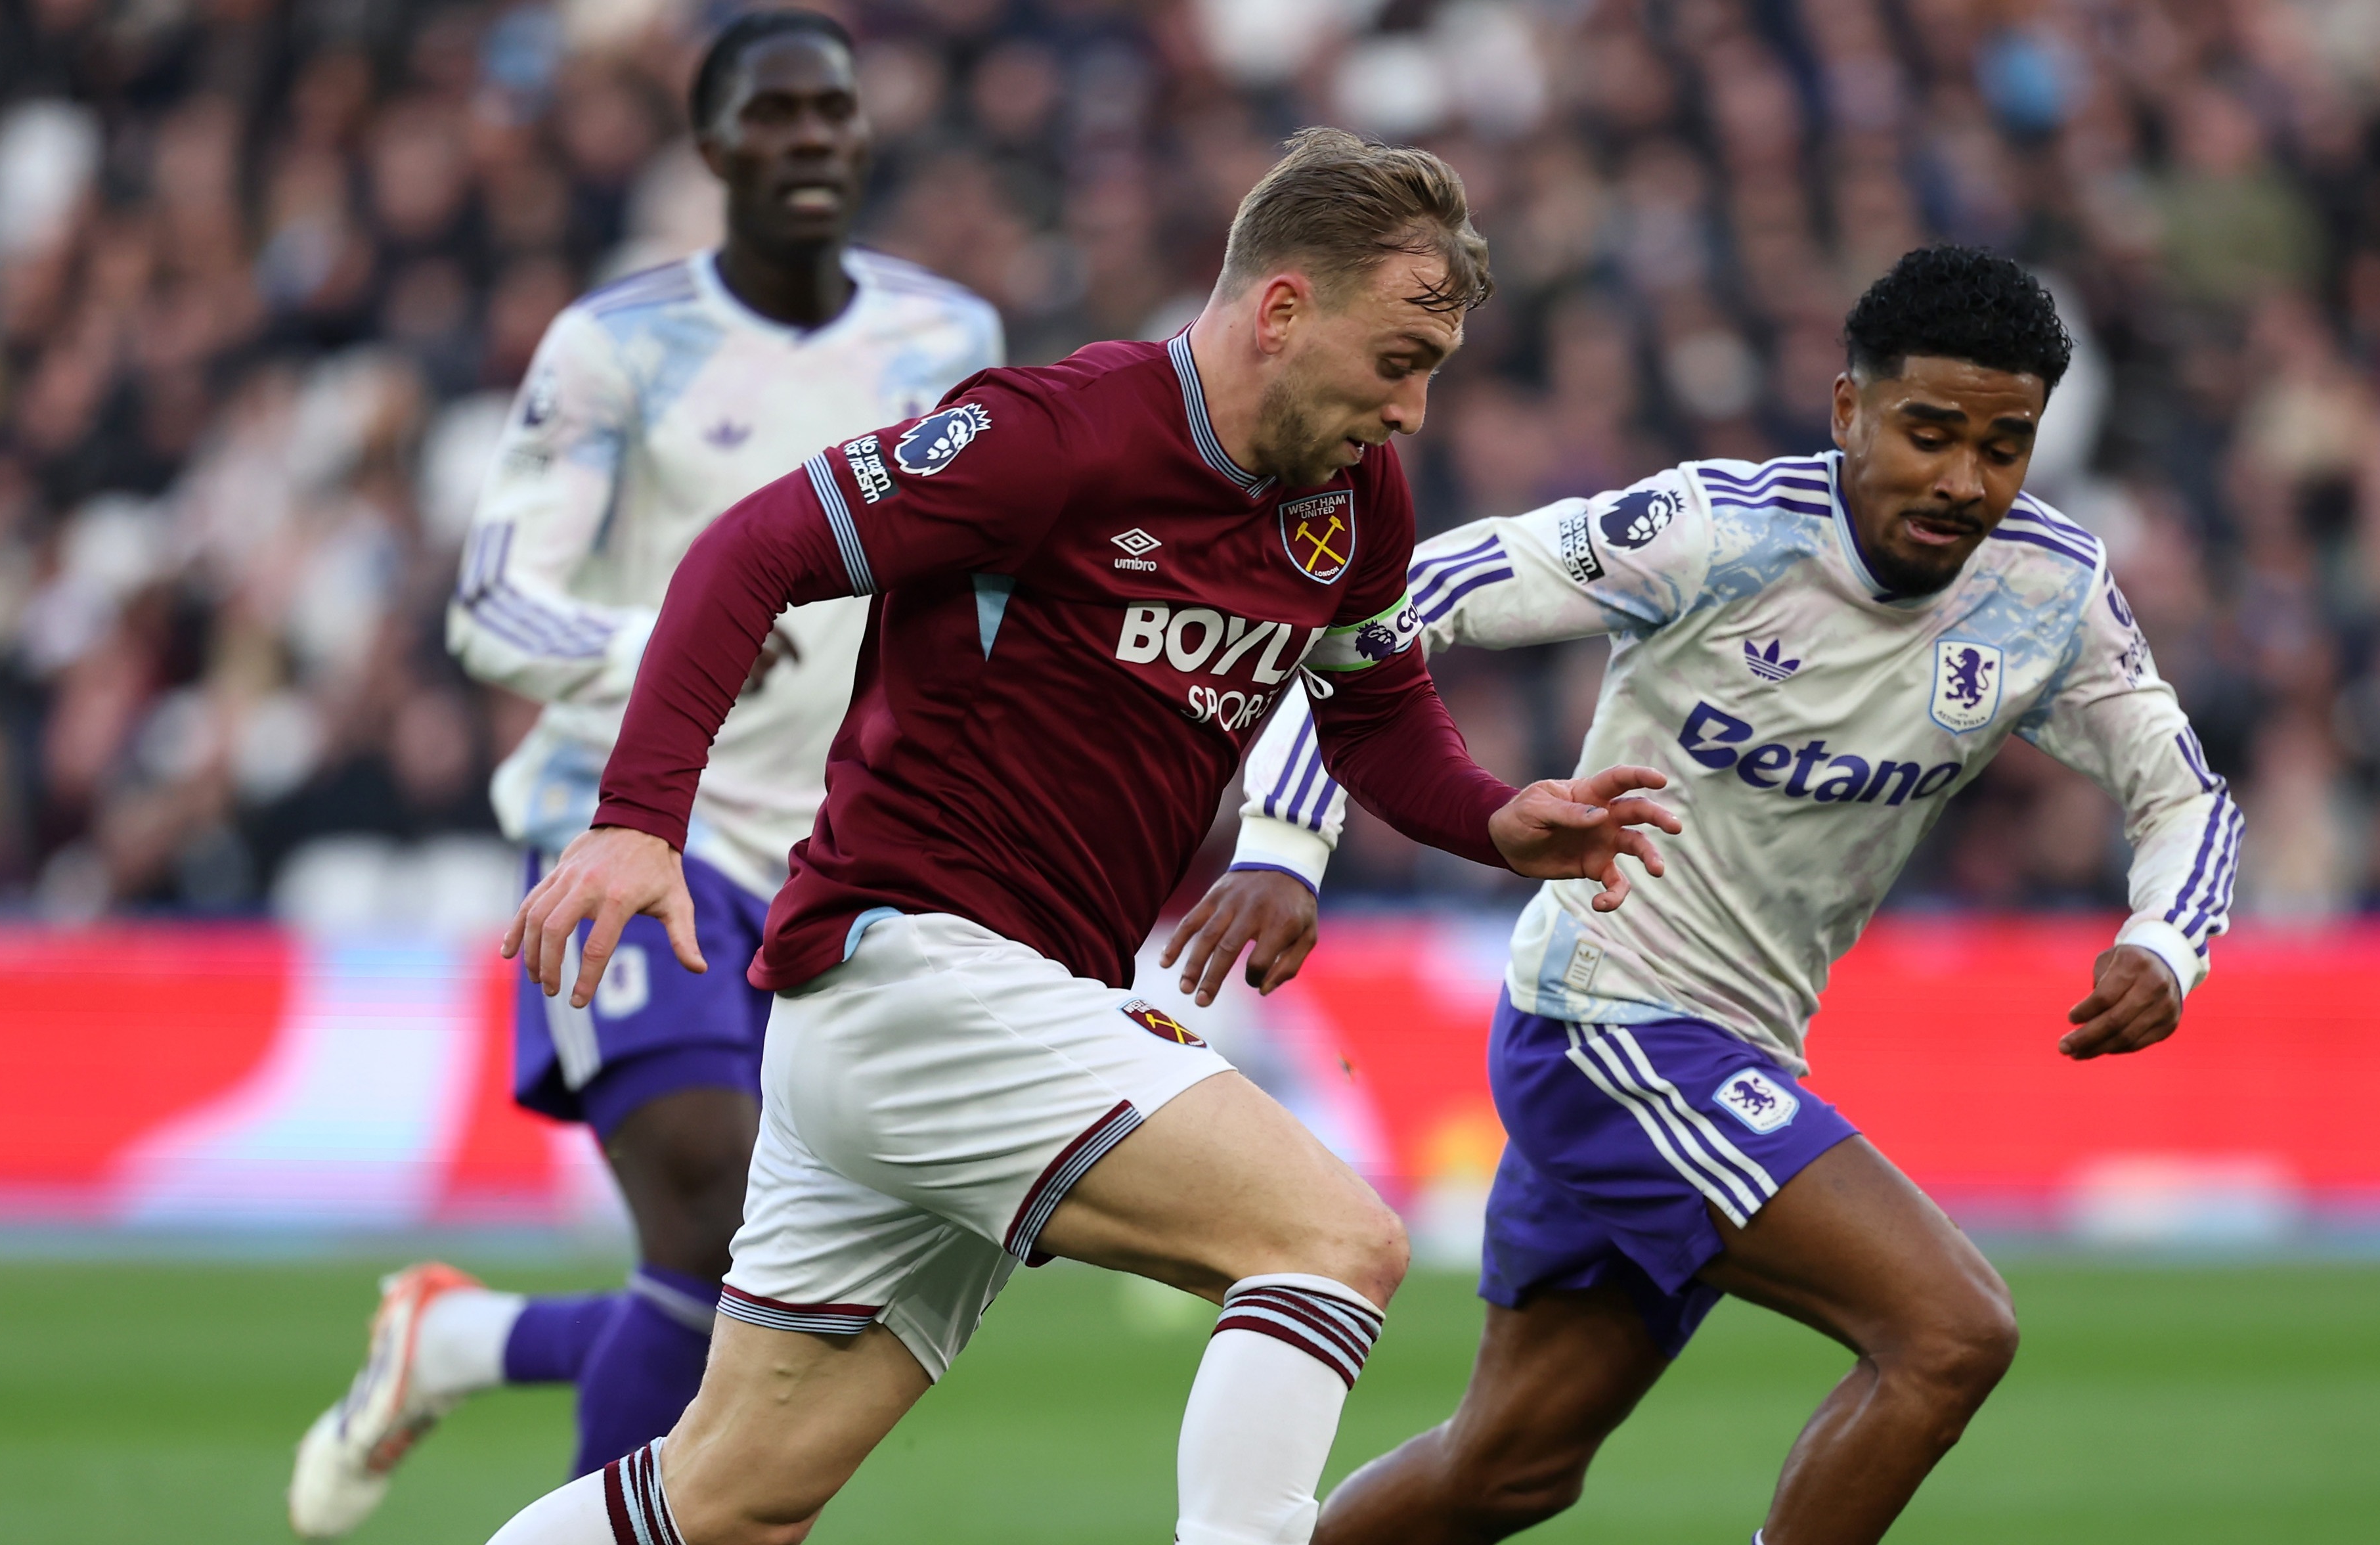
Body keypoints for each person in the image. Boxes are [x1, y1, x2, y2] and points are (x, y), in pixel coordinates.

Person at [479, 127, 1679, 1545]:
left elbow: (1377, 716)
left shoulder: (1350, 500)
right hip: (912, 970)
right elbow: (753, 548)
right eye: (1399, 360)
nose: (1414, 411)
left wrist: (1495, 815)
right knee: (1331, 1242)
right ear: (1283, 309)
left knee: (728, 1499)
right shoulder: (1055, 435)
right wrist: (636, 824)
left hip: (981, 1012)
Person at [1178, 246, 2240, 1545]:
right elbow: (1402, 600)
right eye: (1929, 432)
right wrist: (1286, 839)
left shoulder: (2050, 591)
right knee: (1950, 1333)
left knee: (1507, 1470)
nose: (1965, 480)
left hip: (1729, 1044)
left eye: (2004, 446)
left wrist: (2166, 942)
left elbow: (2184, 793)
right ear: (1849, 410)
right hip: (1608, 1025)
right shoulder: (1716, 533)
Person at [286, 13, 1003, 1536]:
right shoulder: (616, 347)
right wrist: (664, 644)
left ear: (867, 140)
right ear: (713, 149)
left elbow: (972, 592)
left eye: (836, 113)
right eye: (777, 114)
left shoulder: (950, 342)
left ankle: (464, 1341)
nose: (812, 138)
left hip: (843, 846)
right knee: (710, 1197)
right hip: (627, 823)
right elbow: (491, 605)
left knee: (766, 1270)